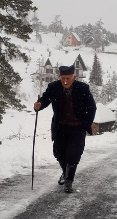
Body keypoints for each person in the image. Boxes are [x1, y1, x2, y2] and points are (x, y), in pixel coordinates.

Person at [34, 65, 97, 193]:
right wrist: (39, 105)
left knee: (73, 155)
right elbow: (45, 99)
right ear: (60, 77)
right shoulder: (54, 87)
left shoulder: (82, 89)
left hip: (77, 128)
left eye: (68, 78)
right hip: (60, 127)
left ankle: (69, 181)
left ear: (74, 77)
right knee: (59, 153)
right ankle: (65, 173)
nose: (65, 81)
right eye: (63, 78)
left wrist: (86, 125)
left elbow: (92, 108)